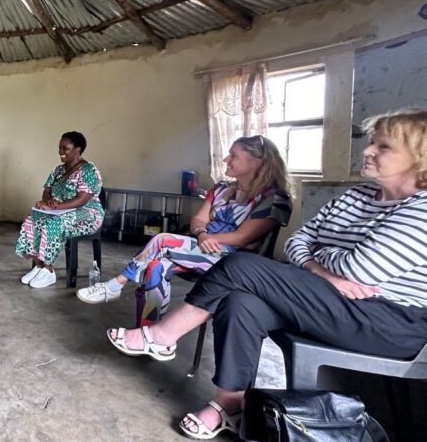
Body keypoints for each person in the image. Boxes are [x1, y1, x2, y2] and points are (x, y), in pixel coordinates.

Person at [106, 107, 427, 441]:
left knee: (243, 265)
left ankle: (162, 336)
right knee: (240, 301)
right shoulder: (356, 196)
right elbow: (299, 242)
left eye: (383, 147)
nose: (368, 151)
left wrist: (322, 258)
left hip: (389, 320)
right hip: (331, 300)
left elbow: (359, 268)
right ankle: (228, 405)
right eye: (371, 143)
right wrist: (322, 269)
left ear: (419, 158)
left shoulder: (422, 208)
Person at [77, 135, 292, 328]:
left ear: (256, 162)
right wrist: (201, 234)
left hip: (235, 264)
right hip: (201, 249)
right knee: (156, 266)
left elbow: (243, 237)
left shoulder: (273, 199)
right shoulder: (221, 190)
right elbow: (198, 219)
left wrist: (207, 237)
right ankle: (148, 331)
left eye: (233, 155)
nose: (226, 159)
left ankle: (115, 285)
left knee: (162, 240)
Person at [15, 131, 104, 288]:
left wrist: (56, 206)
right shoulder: (58, 170)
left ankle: (48, 271)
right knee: (32, 219)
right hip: (60, 210)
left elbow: (81, 199)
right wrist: (48, 201)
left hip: (88, 212)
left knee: (54, 224)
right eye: (60, 148)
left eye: (65, 148)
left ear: (78, 149)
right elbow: (47, 190)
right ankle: (38, 266)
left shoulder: (89, 170)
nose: (61, 152)